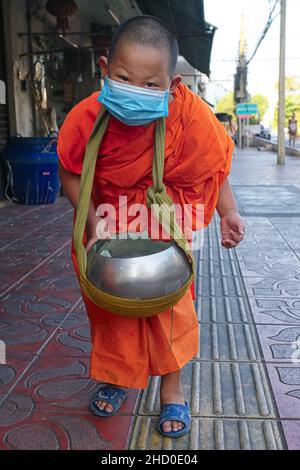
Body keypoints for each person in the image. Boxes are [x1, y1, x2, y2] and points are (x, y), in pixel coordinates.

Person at [57, 15, 245, 439]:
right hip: (107, 228)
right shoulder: (86, 117)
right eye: (124, 77)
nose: (137, 91)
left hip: (164, 227)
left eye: (150, 84)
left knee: (170, 313)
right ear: (105, 69)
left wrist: (228, 212)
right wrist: (94, 224)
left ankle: (172, 390)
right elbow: (70, 170)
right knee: (112, 312)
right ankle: (119, 377)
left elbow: (213, 166)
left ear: (172, 84)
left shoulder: (189, 114)